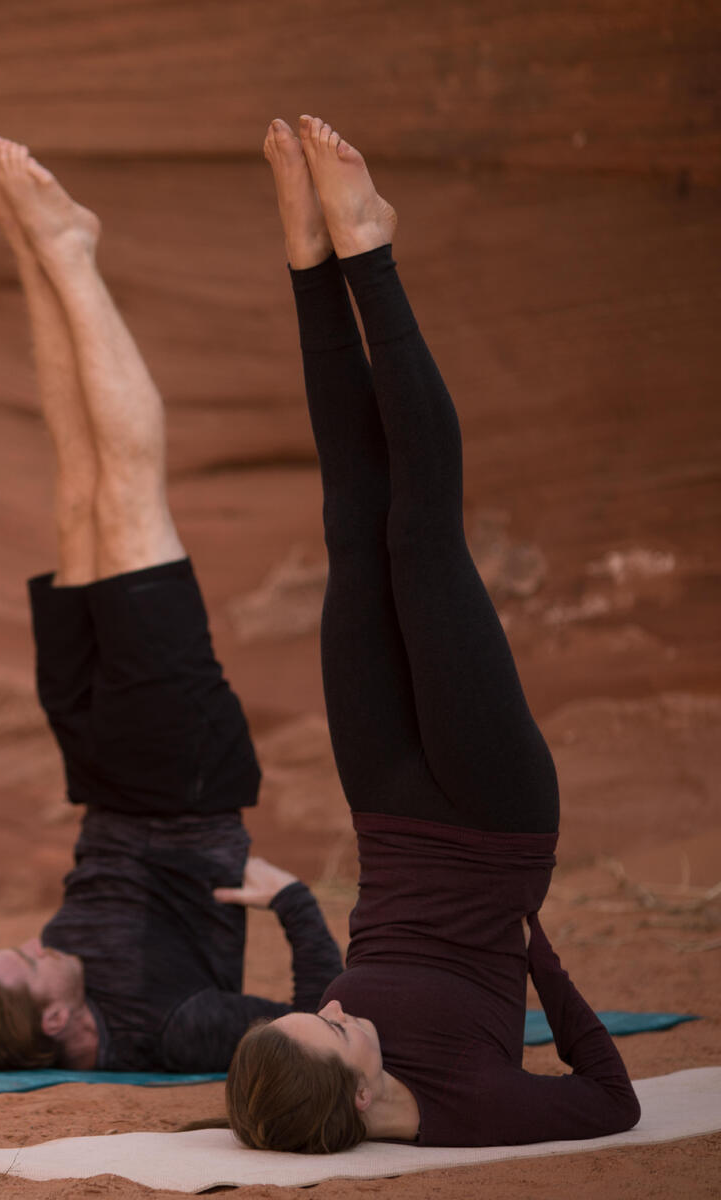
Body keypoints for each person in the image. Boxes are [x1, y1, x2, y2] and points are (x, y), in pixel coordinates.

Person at [219, 115, 642, 1150]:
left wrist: (290, 916)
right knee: (421, 536)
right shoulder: (471, 1109)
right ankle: (369, 248)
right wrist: (534, 948)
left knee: (351, 534)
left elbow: (320, 1009)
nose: (328, 1008)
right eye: (331, 1031)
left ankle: (308, 260)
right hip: (496, 820)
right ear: (363, 1098)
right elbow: (611, 1099)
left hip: (391, 818)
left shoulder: (319, 1057)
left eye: (307, 1014)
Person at [0, 137, 343, 1076]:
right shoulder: (175, 1028)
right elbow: (329, 1025)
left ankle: (35, 248)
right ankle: (69, 252)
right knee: (126, 491)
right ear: (54, 1024)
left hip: (101, 772)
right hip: (180, 776)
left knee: (77, 488)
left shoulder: (53, 990)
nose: (38, 943)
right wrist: (293, 904)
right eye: (33, 962)